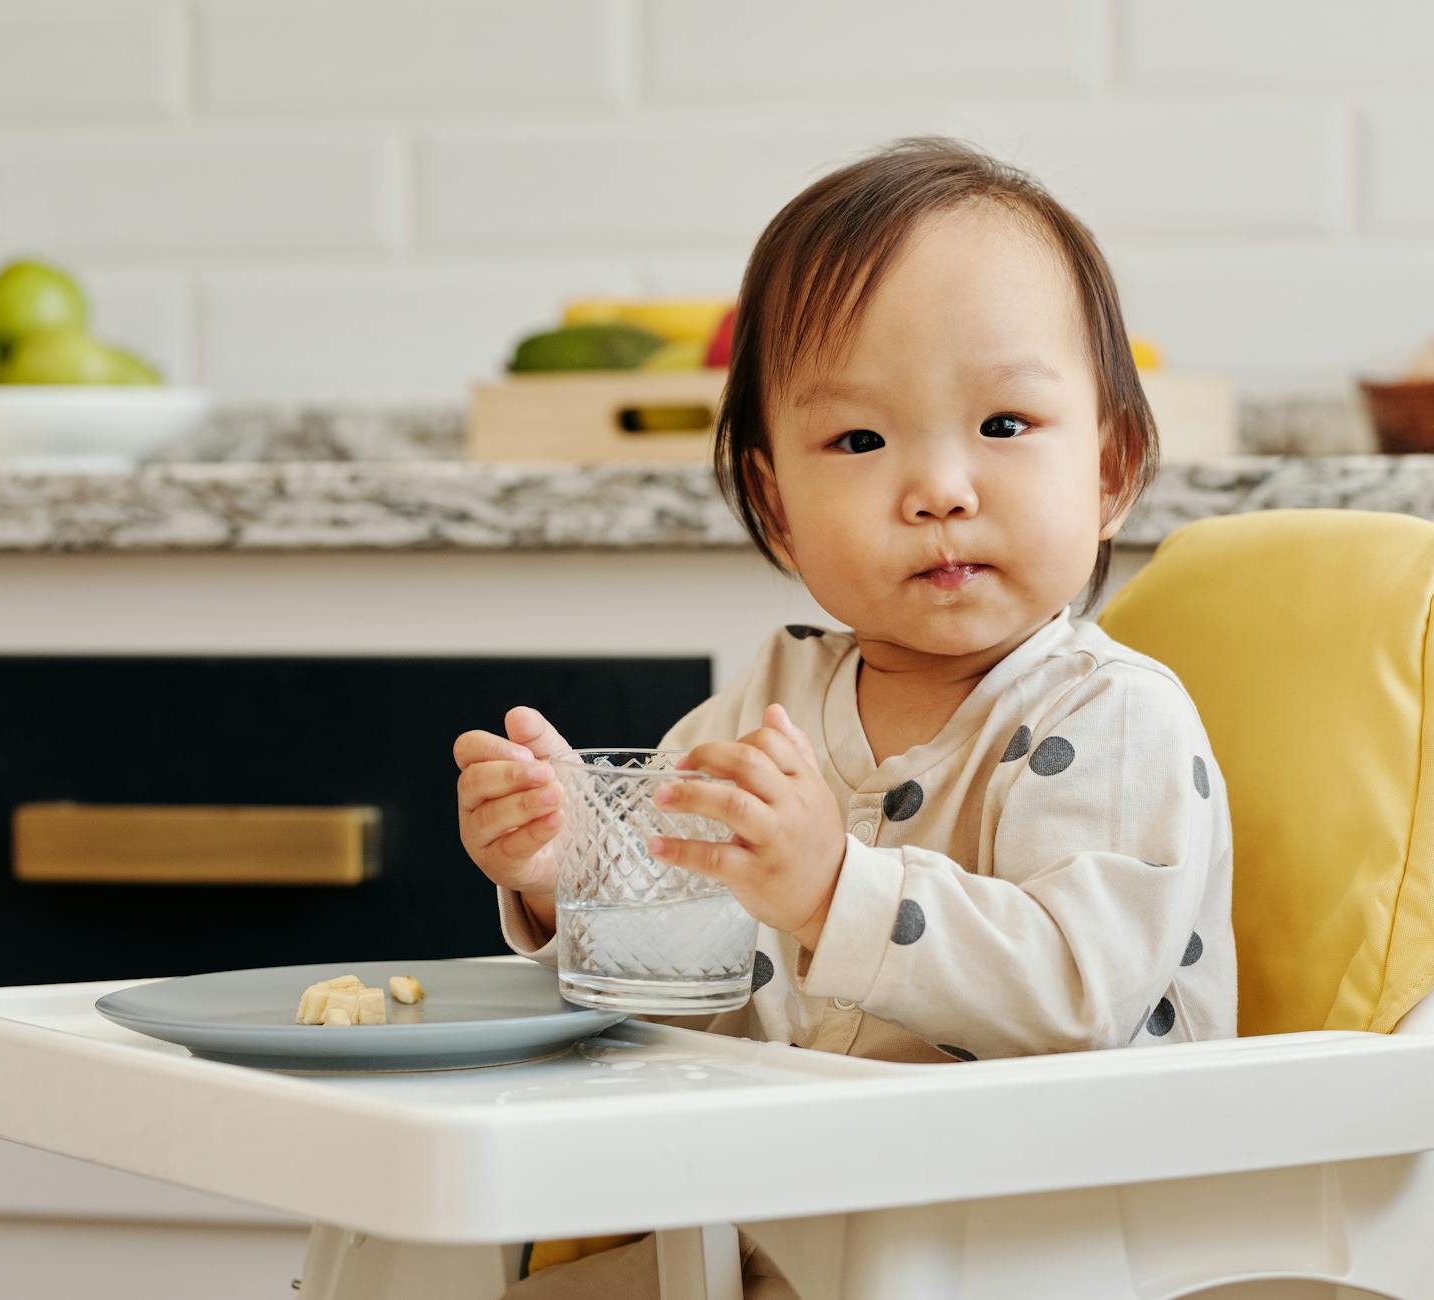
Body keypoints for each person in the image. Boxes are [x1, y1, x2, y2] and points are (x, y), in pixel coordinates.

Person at [453, 136, 1235, 1298]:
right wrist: (574, 876)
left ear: (1113, 468)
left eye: (1006, 426)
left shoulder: (1114, 719)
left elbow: (1078, 997)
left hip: (1034, 1246)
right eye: (860, 440)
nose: (939, 489)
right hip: (775, 1229)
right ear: (775, 497)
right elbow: (688, 986)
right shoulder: (764, 704)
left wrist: (833, 890)